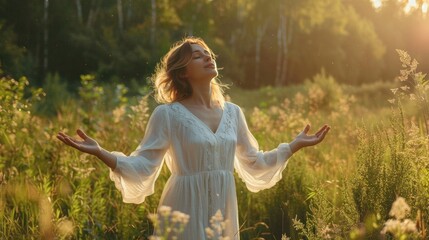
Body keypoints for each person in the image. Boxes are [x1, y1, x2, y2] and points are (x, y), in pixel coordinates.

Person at [57, 36, 330, 239]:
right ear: (182, 71)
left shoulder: (233, 113)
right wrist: (101, 152)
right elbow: (143, 167)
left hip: (223, 212)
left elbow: (254, 164)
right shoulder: (168, 115)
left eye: (208, 53)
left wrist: (293, 146)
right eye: (197, 56)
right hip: (182, 210)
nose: (208, 57)